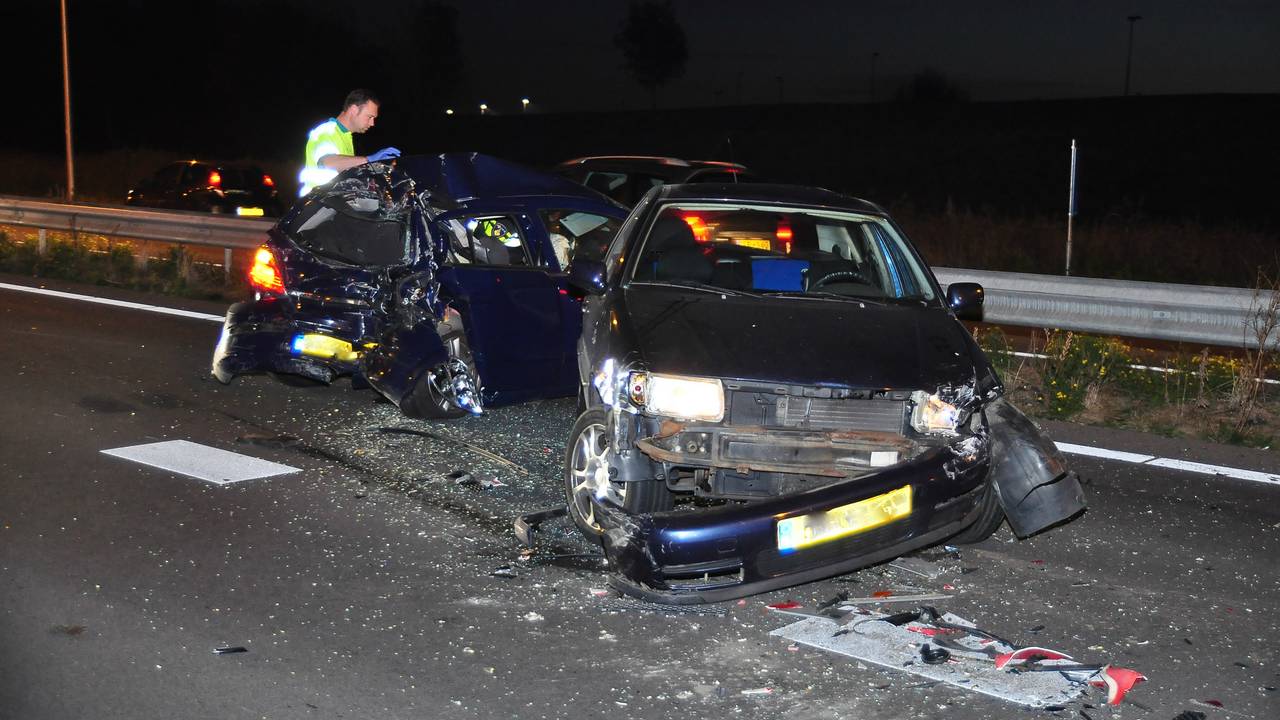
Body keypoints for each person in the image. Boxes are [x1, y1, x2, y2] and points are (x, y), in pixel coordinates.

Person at [298, 89, 400, 196]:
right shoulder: (326, 131)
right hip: (317, 202)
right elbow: (327, 162)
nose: (372, 123)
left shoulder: (346, 136)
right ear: (354, 110)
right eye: (370, 117)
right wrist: (368, 160)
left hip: (329, 201)